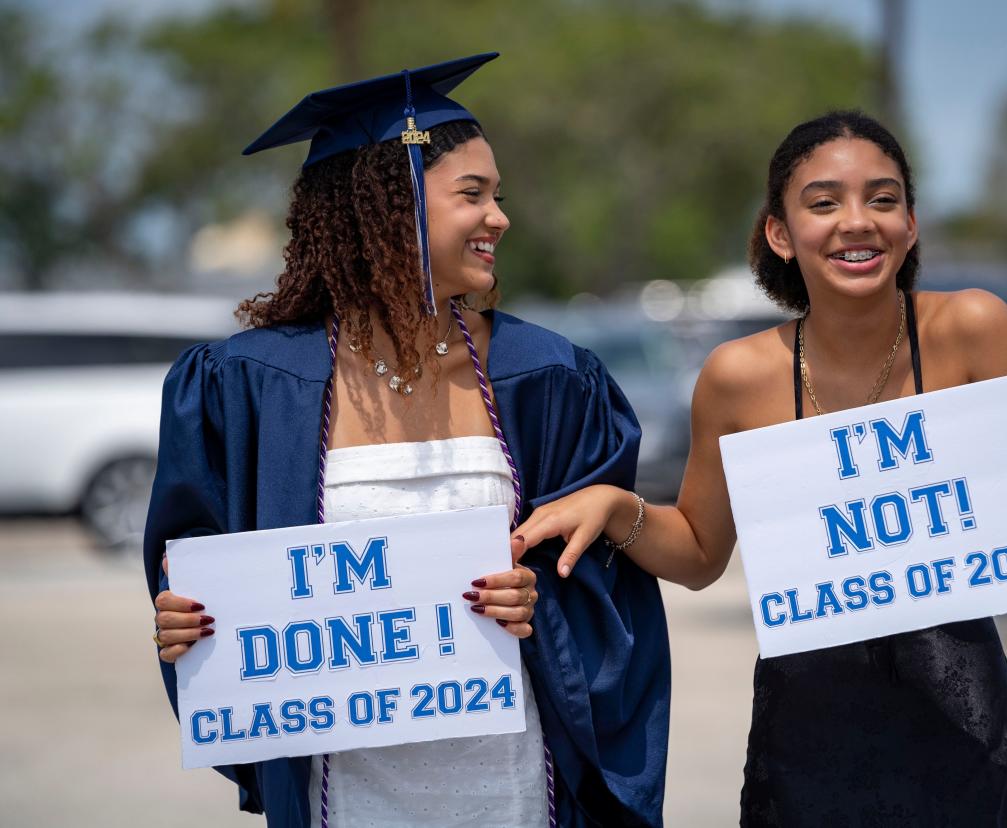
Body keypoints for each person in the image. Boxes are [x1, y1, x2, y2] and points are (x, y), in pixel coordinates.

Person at [515, 110, 1007, 825]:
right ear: (780, 233)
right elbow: (700, 553)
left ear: (911, 226)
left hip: (961, 727)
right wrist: (616, 507)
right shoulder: (738, 375)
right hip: (805, 739)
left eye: (882, 200)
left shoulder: (975, 328)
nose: (857, 221)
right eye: (824, 203)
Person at [144, 53, 670, 828]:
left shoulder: (547, 377)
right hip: (341, 797)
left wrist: (540, 601)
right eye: (474, 194)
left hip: (517, 789)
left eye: (500, 195)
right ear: (386, 207)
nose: (500, 217)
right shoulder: (245, 385)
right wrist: (183, 621)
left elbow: (604, 597)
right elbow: (196, 569)